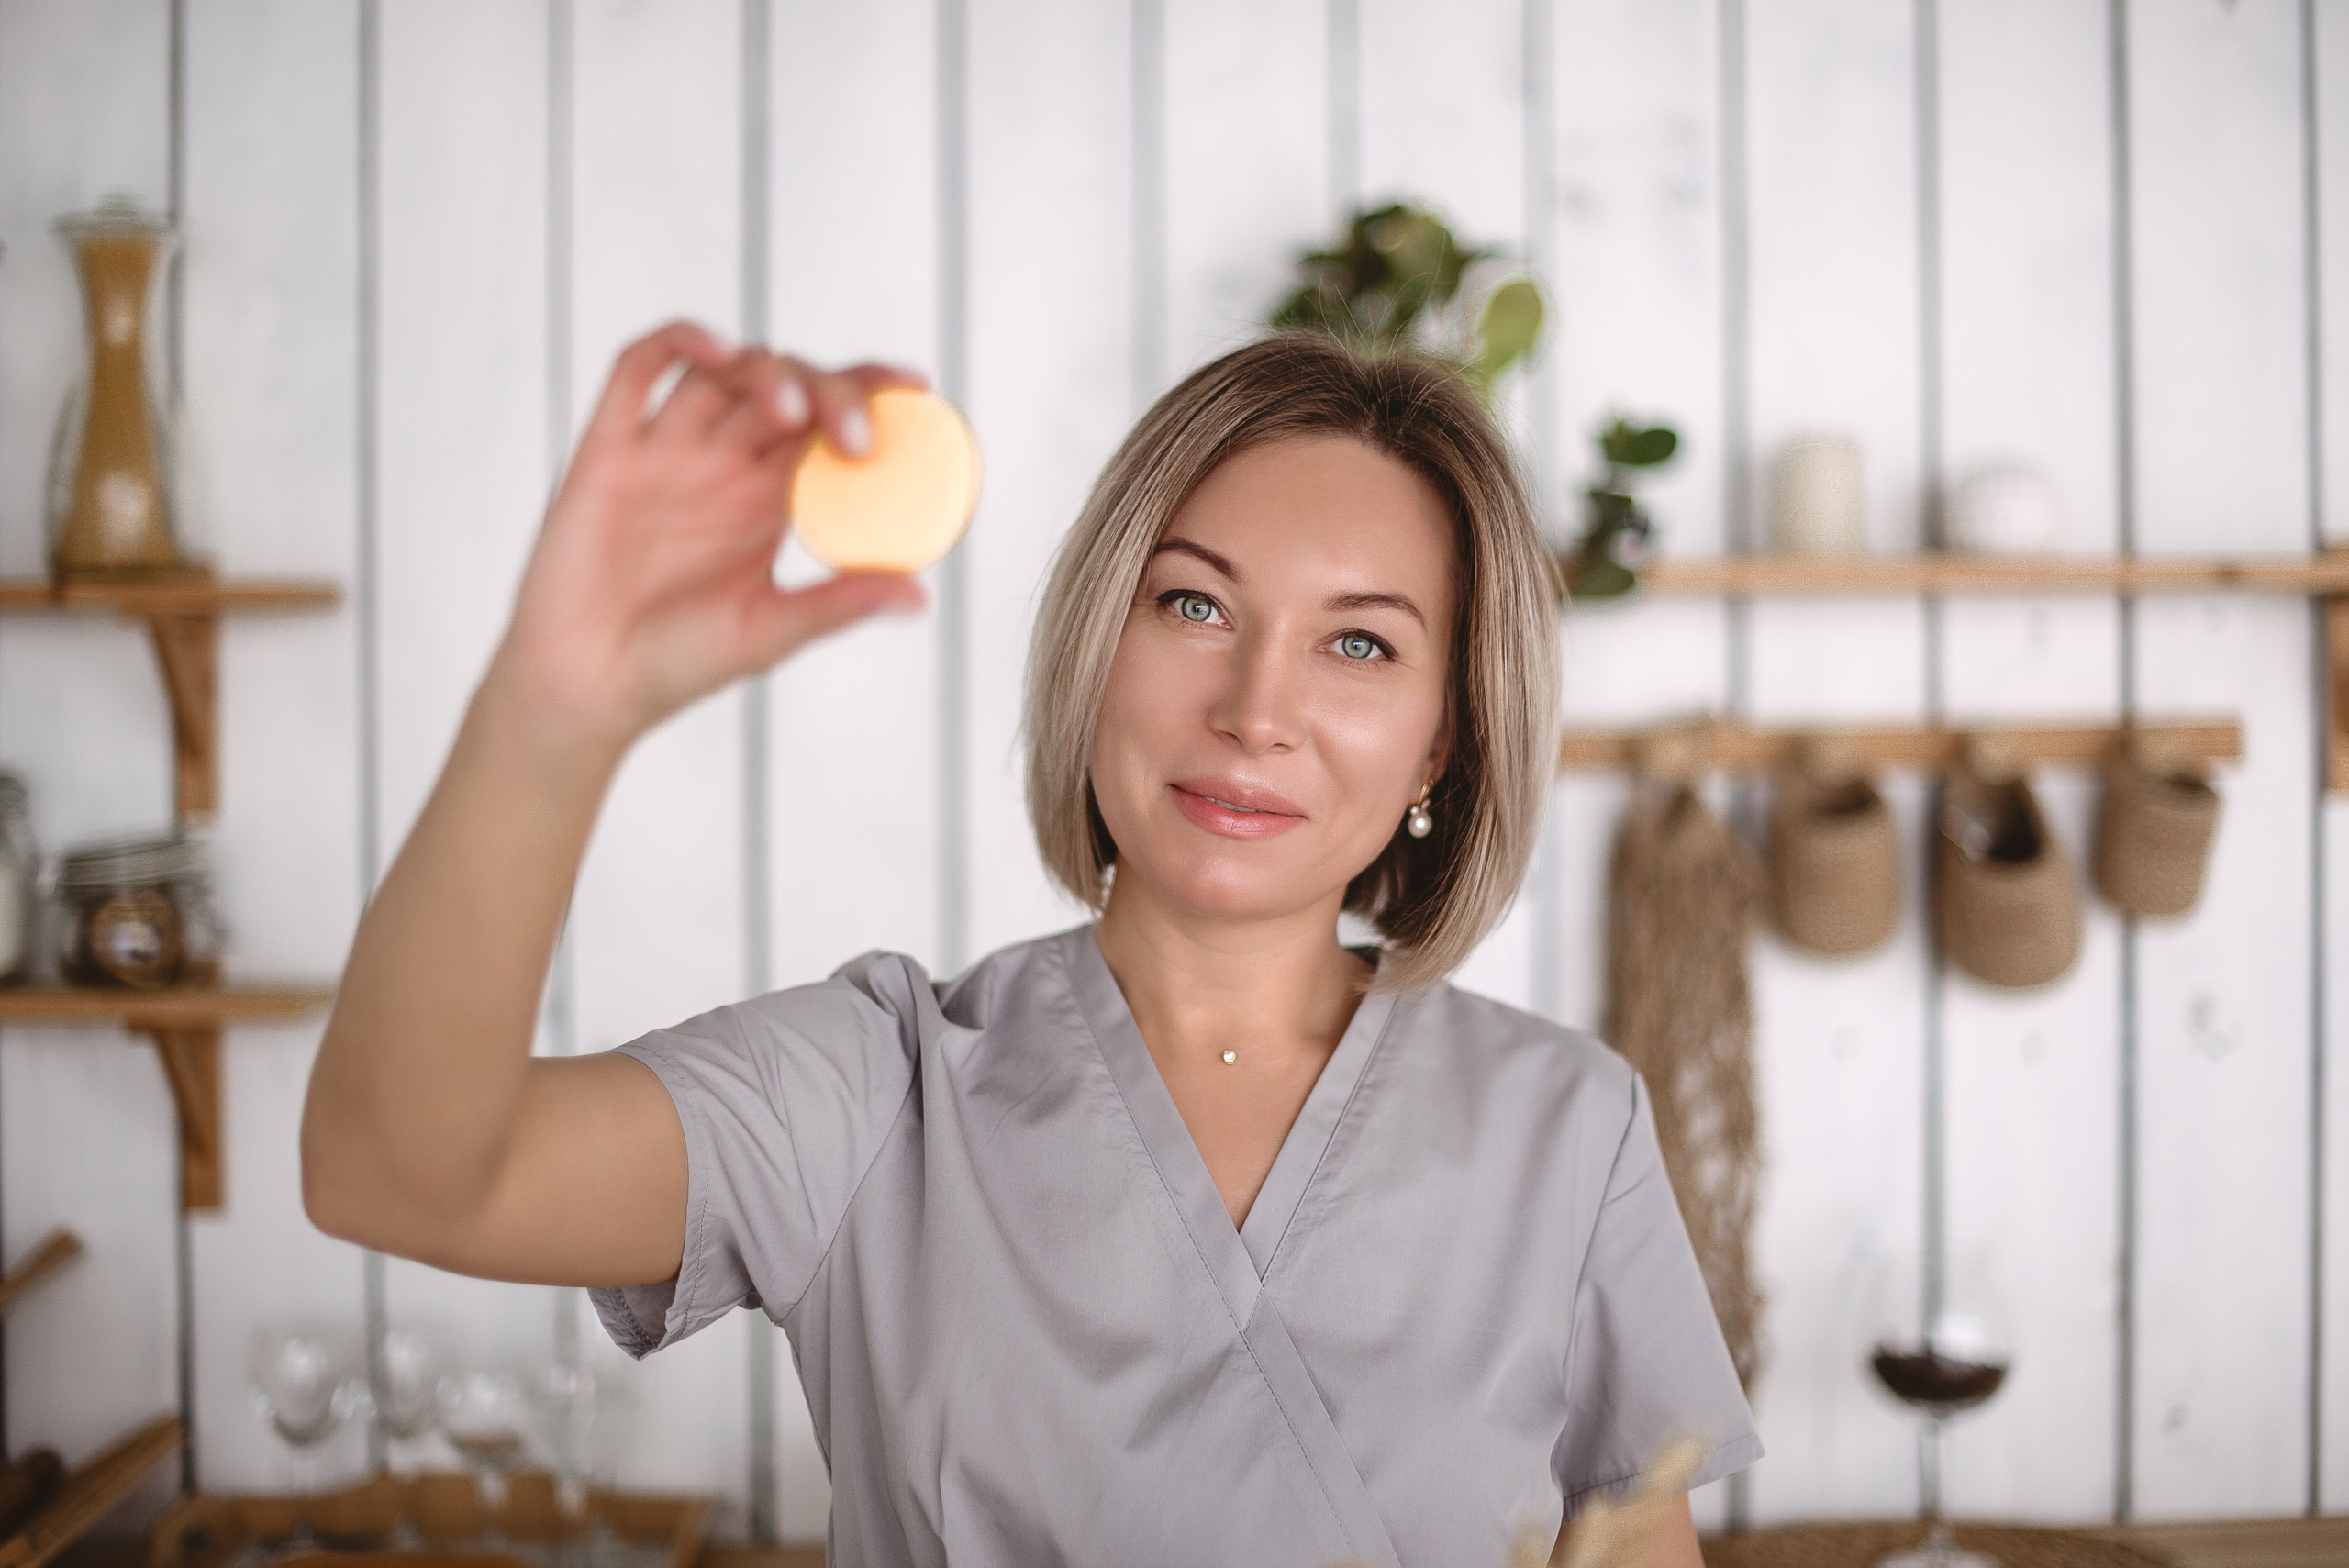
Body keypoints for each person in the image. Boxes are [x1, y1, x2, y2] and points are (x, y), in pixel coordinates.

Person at [303, 325, 1760, 1568]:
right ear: (1096, 643)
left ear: (1445, 734)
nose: (1257, 705)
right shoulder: (874, 1095)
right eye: (1193, 603)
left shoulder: (1571, 1129)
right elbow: (394, 1165)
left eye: (1359, 643)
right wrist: (553, 712)